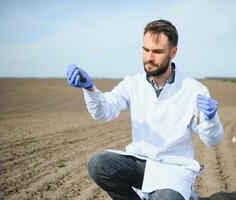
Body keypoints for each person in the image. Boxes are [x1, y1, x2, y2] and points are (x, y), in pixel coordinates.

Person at [66, 19, 223, 200]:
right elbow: (103, 111)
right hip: (140, 164)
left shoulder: (195, 90)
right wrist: (90, 89)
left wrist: (211, 120)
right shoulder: (133, 83)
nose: (149, 57)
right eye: (145, 49)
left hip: (173, 171)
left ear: (173, 52)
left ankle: (184, 194)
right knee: (98, 165)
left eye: (157, 52)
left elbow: (212, 141)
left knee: (168, 197)